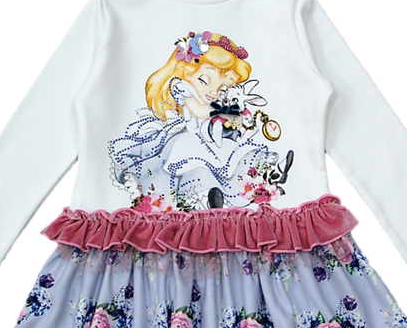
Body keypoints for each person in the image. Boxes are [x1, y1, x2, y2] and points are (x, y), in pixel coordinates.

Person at [108, 30, 294, 211]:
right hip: (188, 136)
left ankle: (271, 172)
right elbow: (199, 110)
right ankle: (203, 198)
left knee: (232, 155)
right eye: (205, 80)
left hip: (209, 137)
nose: (213, 91)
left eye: (223, 87)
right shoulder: (182, 87)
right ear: (188, 73)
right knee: (196, 164)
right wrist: (225, 111)